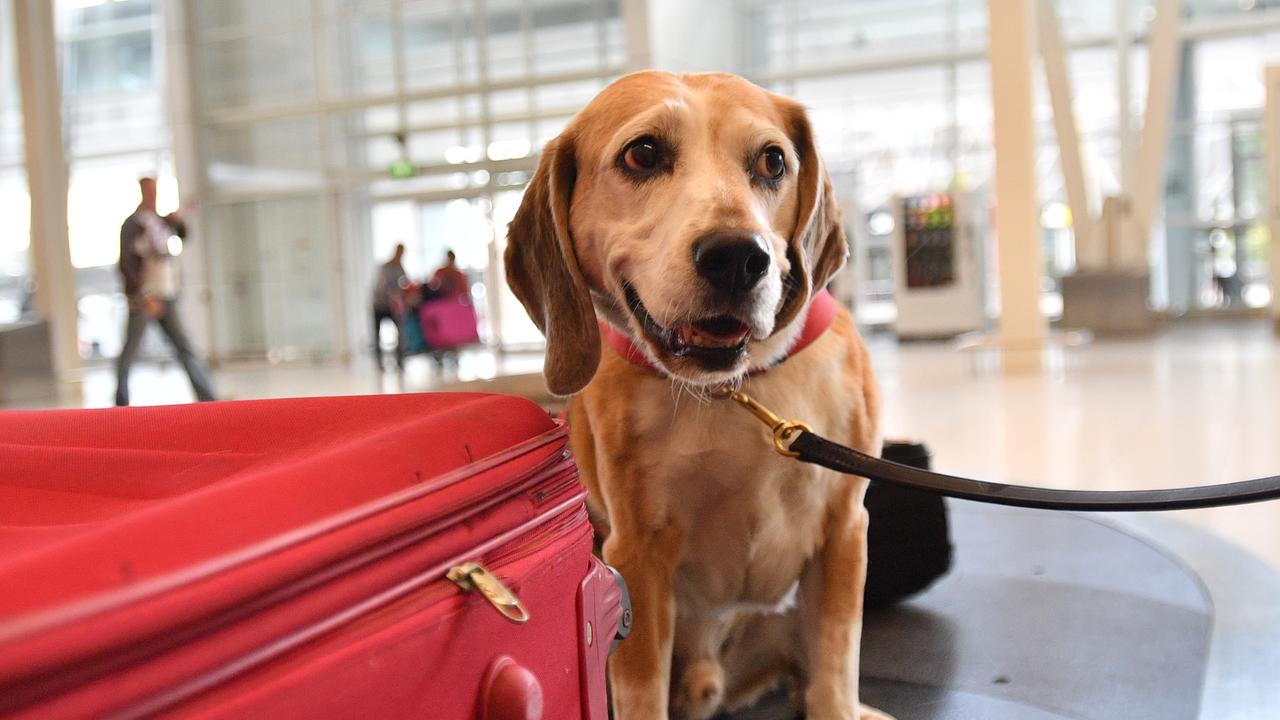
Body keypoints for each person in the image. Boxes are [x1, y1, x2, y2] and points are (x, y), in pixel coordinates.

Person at [115, 177, 217, 406]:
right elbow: (126, 264)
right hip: (145, 298)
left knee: (185, 348)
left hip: (167, 294)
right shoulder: (133, 224)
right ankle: (120, 403)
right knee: (130, 351)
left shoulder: (159, 221)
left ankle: (209, 399)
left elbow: (182, 233)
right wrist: (143, 295)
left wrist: (181, 216)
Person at [372, 243, 409, 369]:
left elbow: (405, 283)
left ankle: (400, 360)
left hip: (393, 306)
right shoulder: (385, 267)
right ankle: (379, 362)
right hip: (380, 304)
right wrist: (393, 293)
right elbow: (382, 285)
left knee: (400, 331)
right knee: (377, 334)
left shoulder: (400, 267)